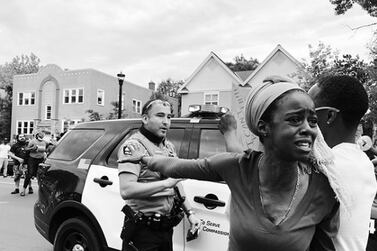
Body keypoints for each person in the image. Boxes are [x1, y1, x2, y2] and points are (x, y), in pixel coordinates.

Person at [119, 80, 340, 251]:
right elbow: (178, 166)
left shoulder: (326, 191)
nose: (309, 129)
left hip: (164, 229)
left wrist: (187, 210)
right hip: (142, 231)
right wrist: (147, 160)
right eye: (295, 119)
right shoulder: (239, 168)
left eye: (313, 121)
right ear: (263, 128)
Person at [117, 99, 201, 251]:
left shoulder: (168, 147)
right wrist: (165, 184)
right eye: (160, 116)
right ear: (145, 118)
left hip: (165, 230)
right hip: (142, 232)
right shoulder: (133, 146)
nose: (166, 122)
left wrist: (190, 213)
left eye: (169, 117)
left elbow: (175, 182)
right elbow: (126, 190)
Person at [308, 75, 377, 251]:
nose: (303, 119)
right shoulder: (363, 162)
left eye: (310, 110)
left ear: (329, 115)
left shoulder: (326, 166)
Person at [23, 131, 47, 196]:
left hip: (40, 160)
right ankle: (24, 190)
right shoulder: (32, 141)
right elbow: (26, 149)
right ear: (37, 136)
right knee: (30, 174)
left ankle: (42, 192)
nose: (41, 138)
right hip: (32, 159)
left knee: (40, 175)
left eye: (42, 137)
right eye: (40, 137)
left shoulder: (44, 142)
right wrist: (32, 148)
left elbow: (45, 150)